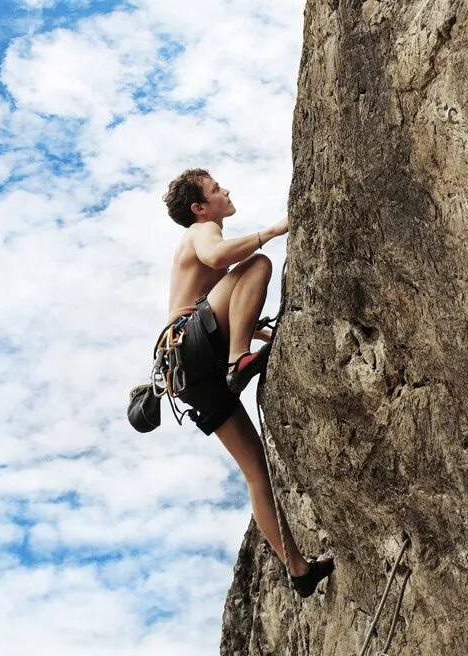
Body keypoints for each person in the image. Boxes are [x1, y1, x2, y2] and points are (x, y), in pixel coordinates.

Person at [161, 167, 334, 597]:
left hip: (187, 372)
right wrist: (273, 230)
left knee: (257, 471)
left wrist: (259, 331)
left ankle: (298, 570)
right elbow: (221, 261)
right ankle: (238, 360)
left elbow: (220, 298)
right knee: (257, 263)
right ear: (200, 207)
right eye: (216, 189)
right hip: (194, 349)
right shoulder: (202, 232)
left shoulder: (203, 239)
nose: (225, 191)